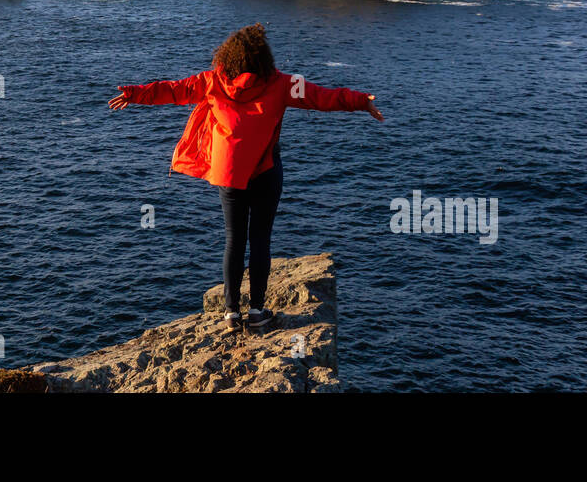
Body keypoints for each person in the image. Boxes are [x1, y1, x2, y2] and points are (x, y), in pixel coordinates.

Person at [108, 23, 383, 333]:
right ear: (264, 58)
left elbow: (175, 90)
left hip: (229, 175)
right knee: (260, 239)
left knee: (234, 239)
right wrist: (361, 100)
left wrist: (134, 94)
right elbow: (322, 97)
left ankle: (230, 312)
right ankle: (256, 310)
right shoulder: (280, 84)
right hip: (266, 172)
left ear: (229, 57)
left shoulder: (212, 81)